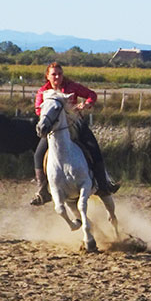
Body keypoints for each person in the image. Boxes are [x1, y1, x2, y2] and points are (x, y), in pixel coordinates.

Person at [30, 62, 120, 206]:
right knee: (38, 155)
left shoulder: (72, 87)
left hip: (77, 125)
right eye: (53, 74)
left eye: (59, 73)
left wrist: (86, 104)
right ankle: (42, 191)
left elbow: (92, 95)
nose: (57, 77)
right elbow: (38, 110)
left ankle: (103, 185)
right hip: (54, 129)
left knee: (94, 149)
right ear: (47, 76)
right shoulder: (43, 92)